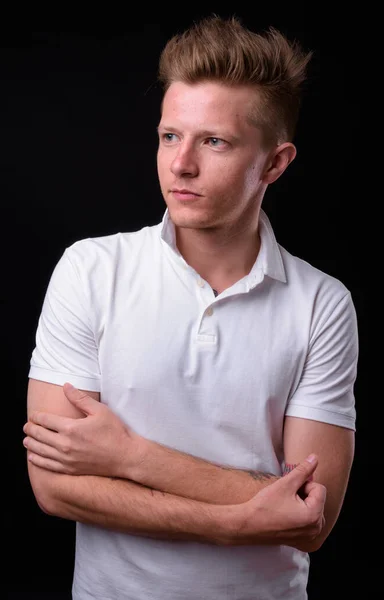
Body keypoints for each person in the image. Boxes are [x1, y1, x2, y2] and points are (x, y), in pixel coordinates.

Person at [23, 14, 358, 600]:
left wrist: (130, 457)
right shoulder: (90, 270)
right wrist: (234, 522)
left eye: (215, 142)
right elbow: (55, 488)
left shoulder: (322, 305)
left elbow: (310, 518)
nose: (180, 164)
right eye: (170, 135)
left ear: (275, 164)